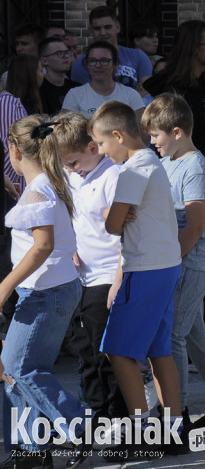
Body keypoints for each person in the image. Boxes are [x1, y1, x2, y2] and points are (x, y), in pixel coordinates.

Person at [140, 94, 205, 428]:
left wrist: (167, 261)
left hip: (193, 261)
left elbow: (196, 226)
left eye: (155, 135)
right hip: (182, 259)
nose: (151, 142)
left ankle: (176, 414)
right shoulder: (169, 161)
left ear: (176, 132)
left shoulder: (195, 167)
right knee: (194, 331)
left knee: (172, 335)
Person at [88, 100, 185, 457]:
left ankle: (141, 429)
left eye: (100, 144)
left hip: (144, 269)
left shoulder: (131, 171)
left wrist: (110, 212)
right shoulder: (152, 164)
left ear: (118, 135)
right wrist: (116, 211)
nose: (99, 152)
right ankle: (172, 431)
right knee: (159, 351)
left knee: (118, 349)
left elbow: (113, 225)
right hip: (164, 265)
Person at [142, 21, 205, 368]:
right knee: (182, 325)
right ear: (191, 47)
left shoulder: (203, 85)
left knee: (188, 318)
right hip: (193, 194)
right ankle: (192, 402)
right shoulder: (174, 90)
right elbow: (168, 142)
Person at [0, 115, 87, 468]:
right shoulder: (52, 183)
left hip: (44, 293)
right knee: (21, 369)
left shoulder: (38, 190)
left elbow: (42, 246)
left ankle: (79, 425)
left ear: (14, 150)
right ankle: (30, 451)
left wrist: (3, 287)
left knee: (19, 369)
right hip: (57, 289)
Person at [52, 111, 127, 422]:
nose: (71, 170)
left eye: (73, 162)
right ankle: (98, 410)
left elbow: (126, 234)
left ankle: (117, 414)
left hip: (107, 275)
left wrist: (119, 279)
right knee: (85, 349)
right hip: (80, 277)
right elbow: (70, 216)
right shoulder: (72, 176)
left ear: (93, 148)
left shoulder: (113, 176)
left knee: (105, 352)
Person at [69, 6, 153, 88]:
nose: (103, 33)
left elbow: (146, 92)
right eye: (97, 28)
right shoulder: (81, 64)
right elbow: (86, 97)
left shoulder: (138, 57)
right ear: (91, 31)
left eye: (107, 27)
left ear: (117, 27)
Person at [61, 42, 146, 120]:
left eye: (104, 60)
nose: (98, 65)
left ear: (115, 64)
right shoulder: (74, 95)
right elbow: (67, 134)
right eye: (92, 61)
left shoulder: (131, 95)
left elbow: (141, 134)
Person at [38, 36, 80, 114]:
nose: (66, 56)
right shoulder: (39, 91)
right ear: (44, 61)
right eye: (59, 53)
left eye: (67, 52)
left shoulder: (77, 88)